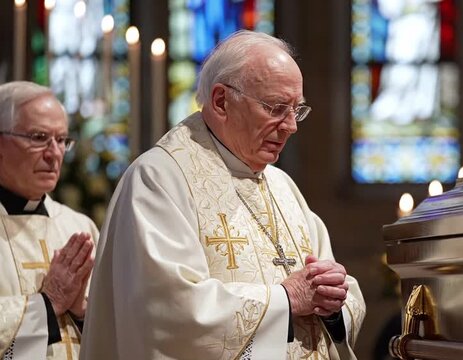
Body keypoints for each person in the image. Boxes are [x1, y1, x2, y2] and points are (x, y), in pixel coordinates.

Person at [81, 30, 366, 359]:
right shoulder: (160, 179)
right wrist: (284, 301)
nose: (291, 126)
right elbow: (167, 311)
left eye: (296, 110)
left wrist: (333, 304)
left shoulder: (282, 186)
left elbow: (336, 291)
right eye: (276, 108)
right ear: (220, 101)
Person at [0, 81, 98, 360]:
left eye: (61, 140)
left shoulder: (80, 228)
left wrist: (82, 312)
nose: (54, 153)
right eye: (39, 137)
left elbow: (119, 330)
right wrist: (48, 303)